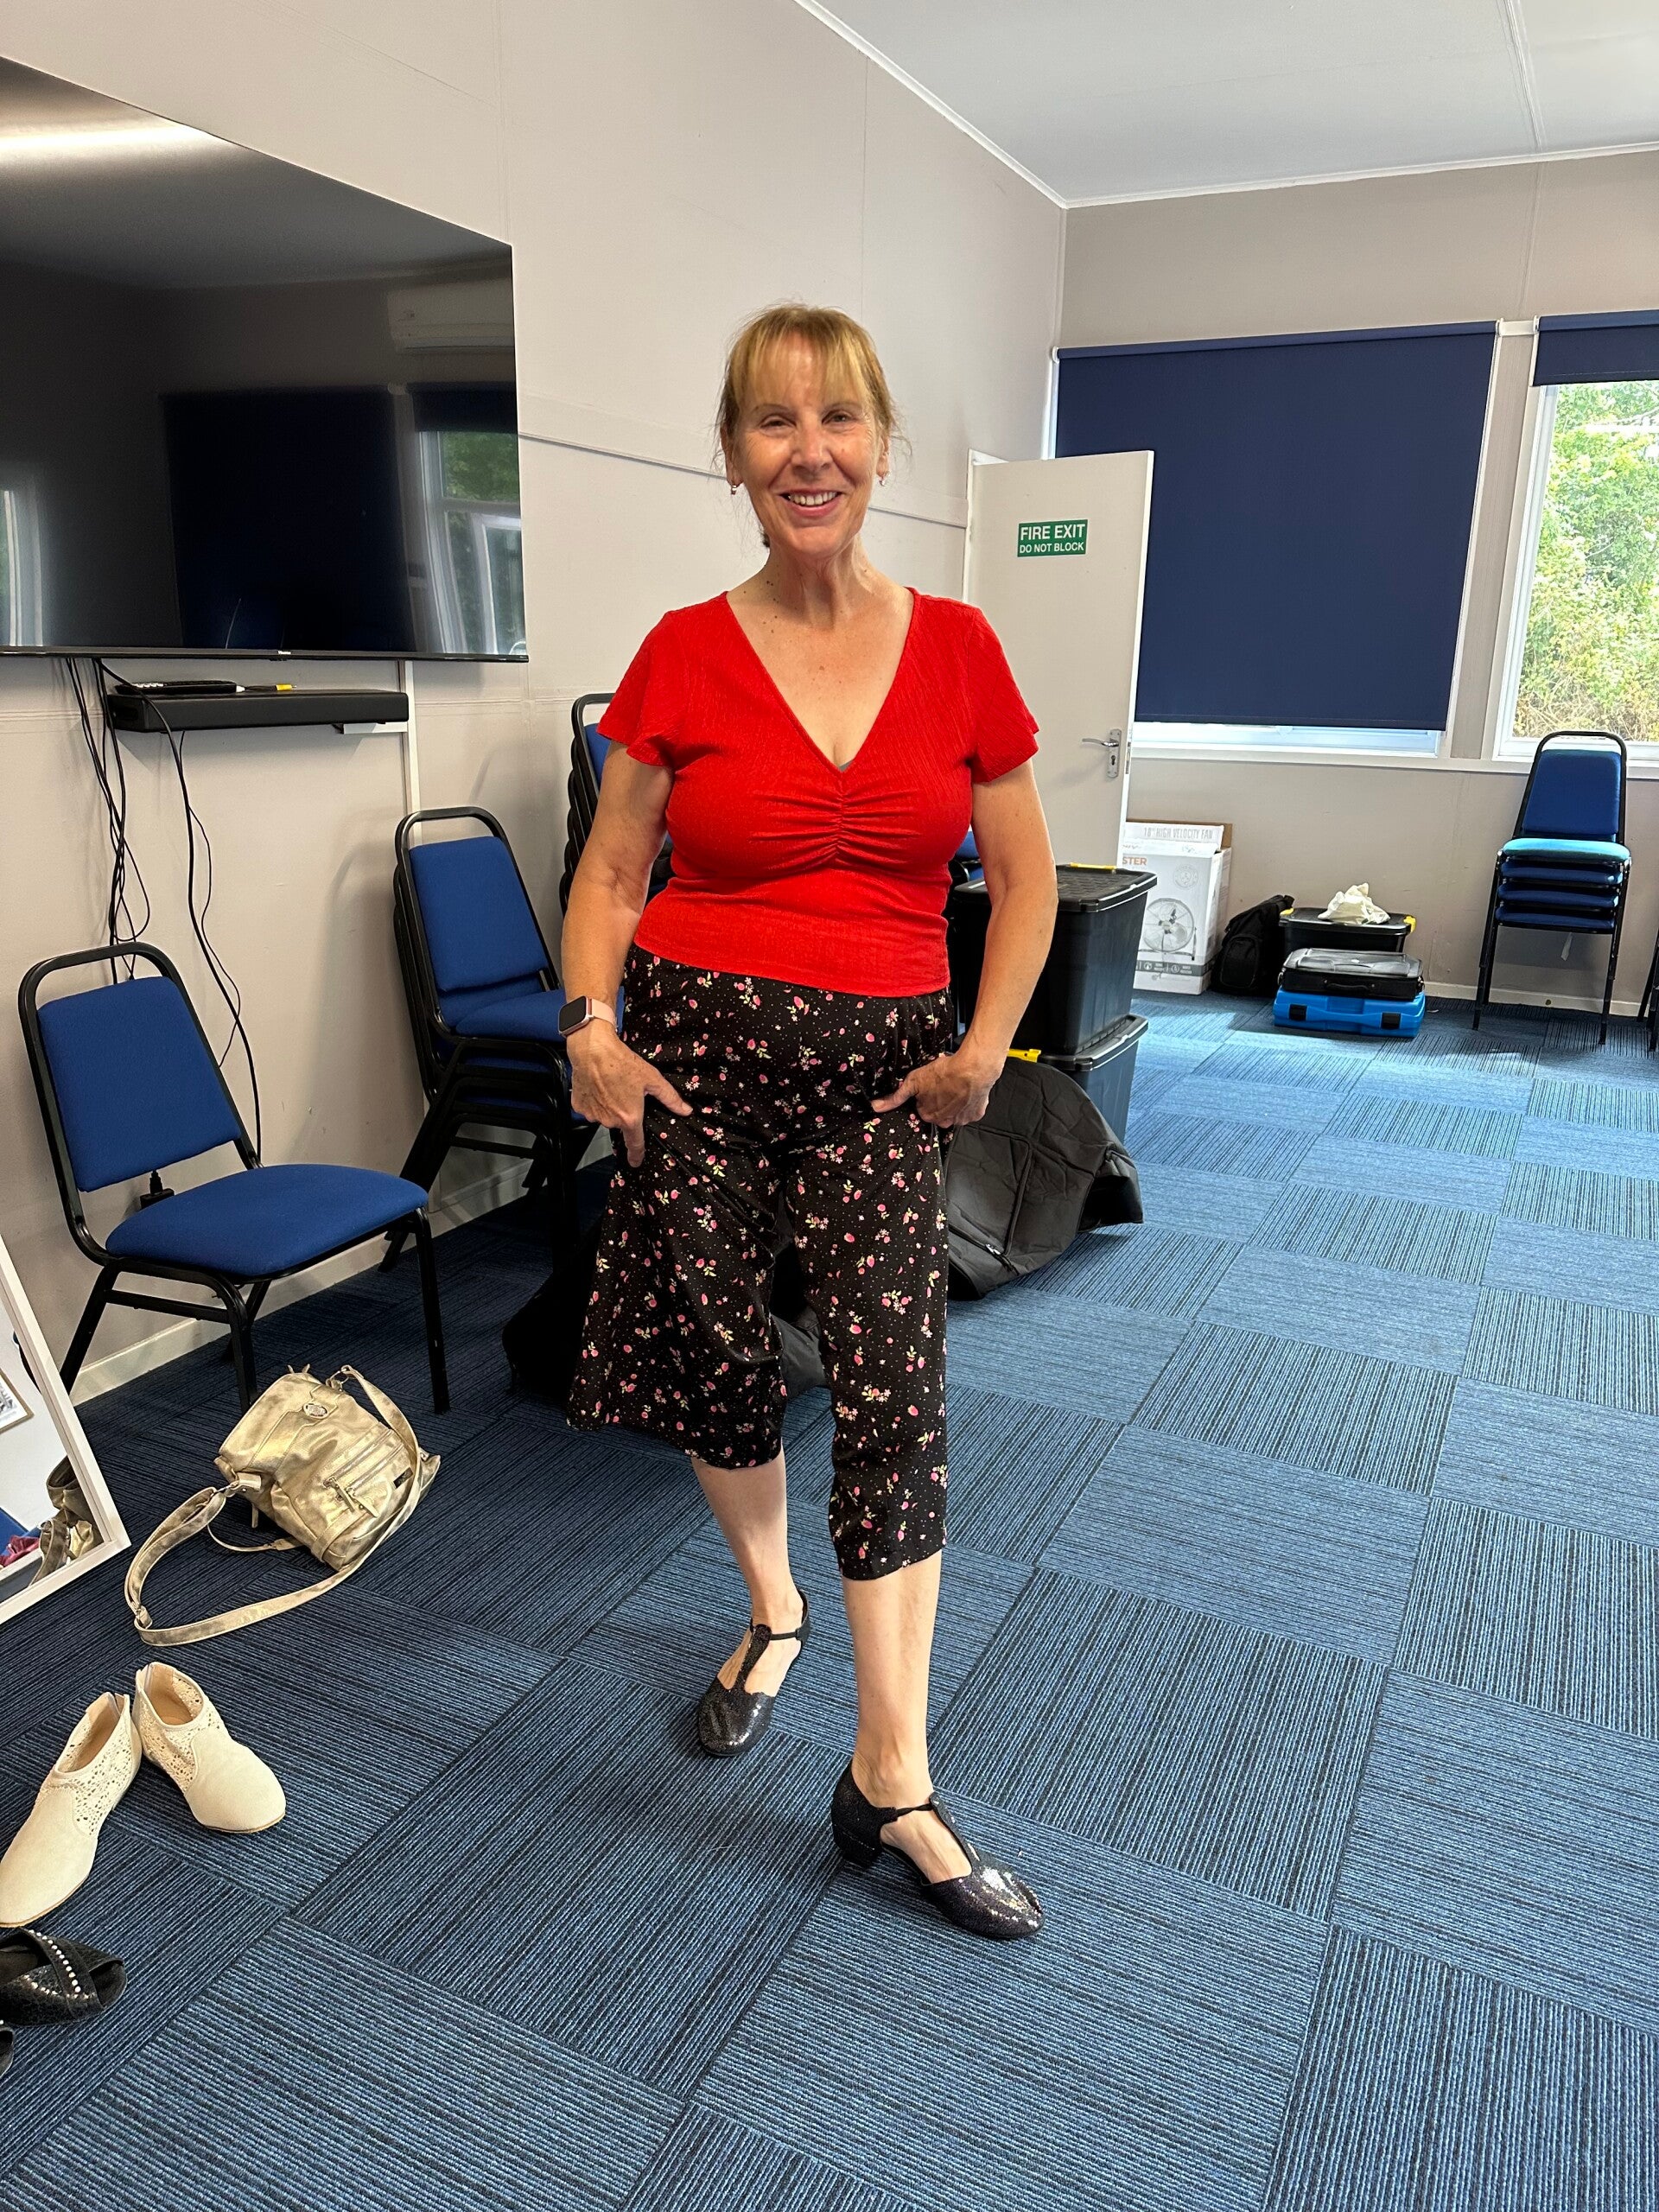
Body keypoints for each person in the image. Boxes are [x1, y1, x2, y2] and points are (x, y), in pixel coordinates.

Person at [561, 304, 1058, 1940]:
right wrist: (590, 1032)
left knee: (894, 1388)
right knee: (719, 1359)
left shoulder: (962, 647)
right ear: (732, 455)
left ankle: (890, 1772)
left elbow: (1027, 879)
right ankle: (772, 1609)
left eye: (837, 418)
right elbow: (613, 872)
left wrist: (985, 1047)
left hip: (880, 1084)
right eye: (772, 422)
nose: (809, 451)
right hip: (693, 1069)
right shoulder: (682, 649)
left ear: (881, 445)